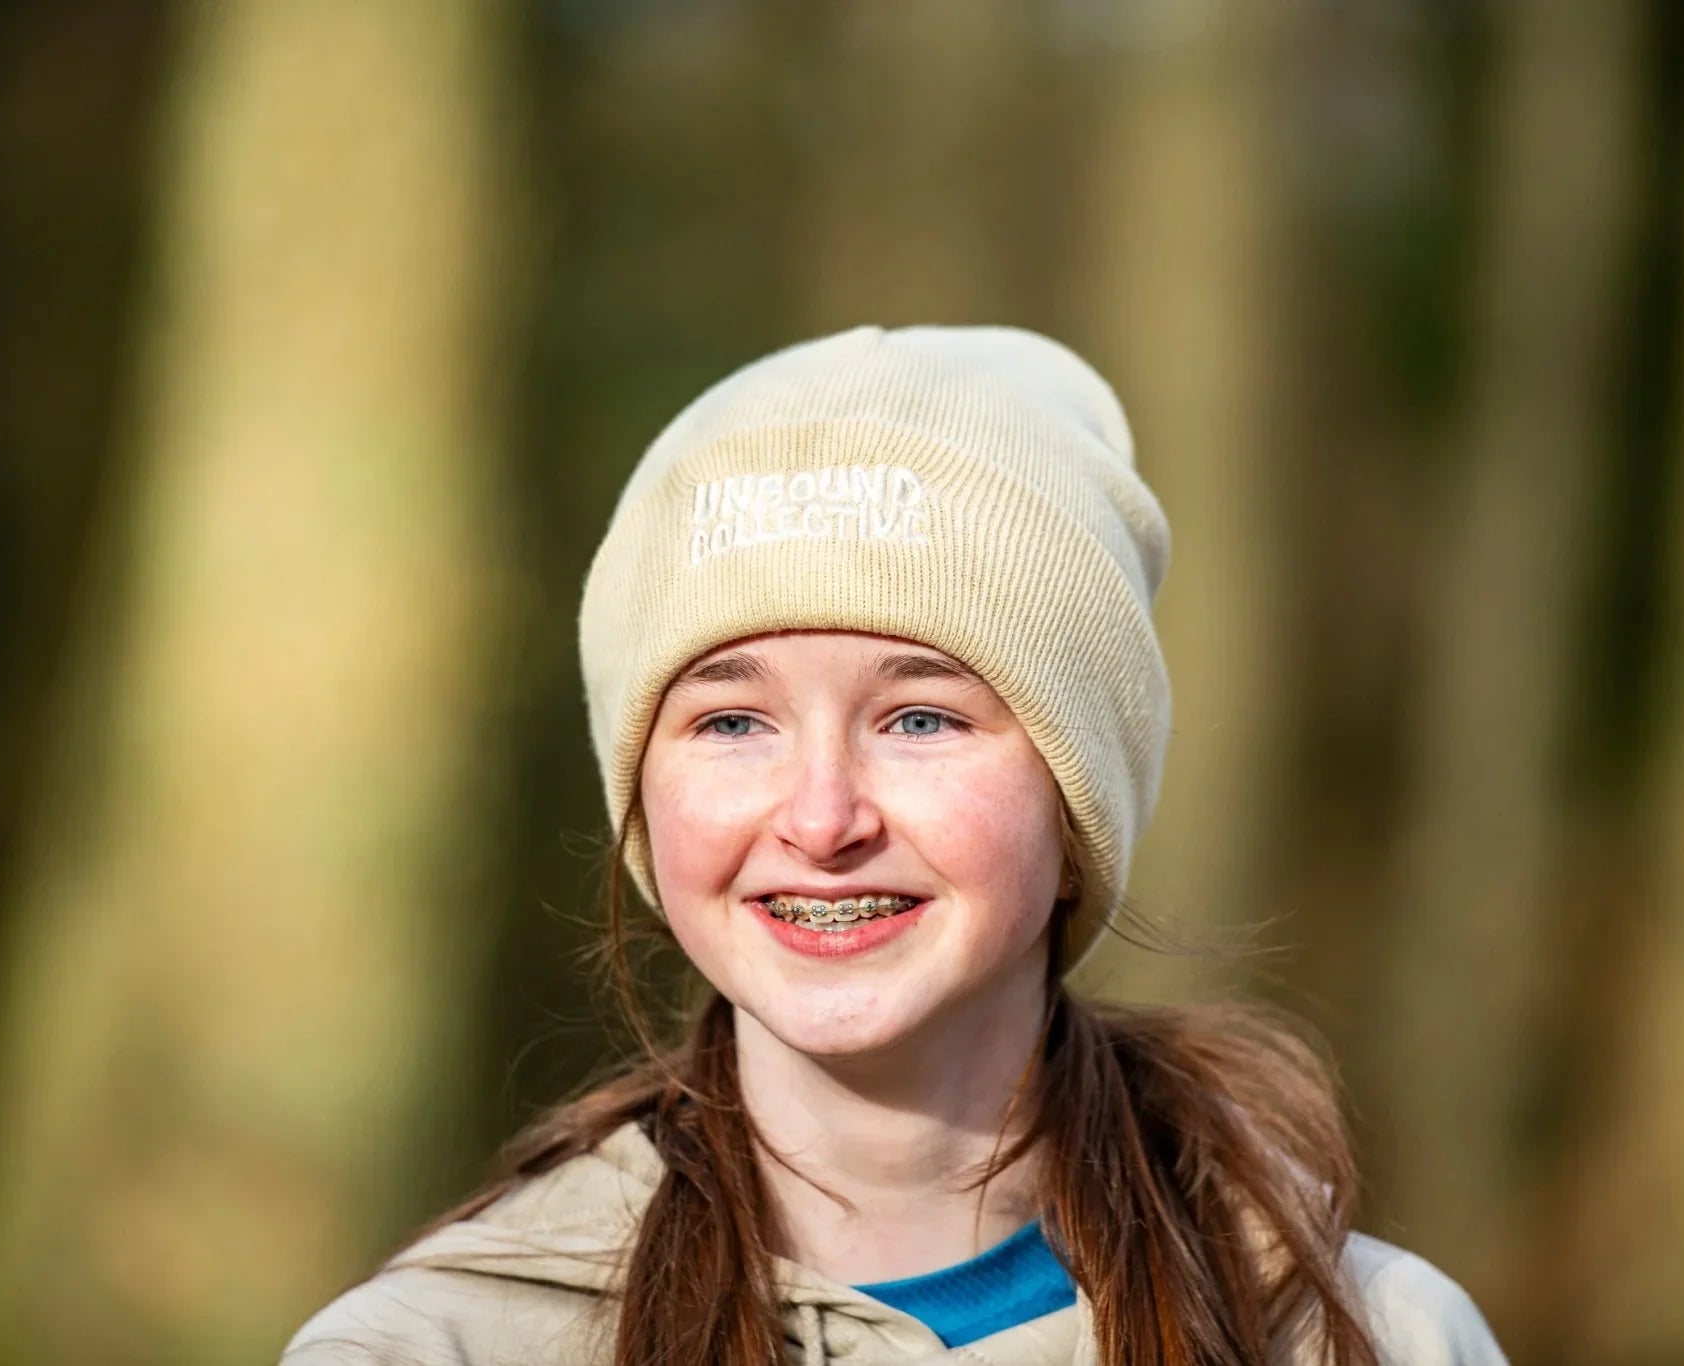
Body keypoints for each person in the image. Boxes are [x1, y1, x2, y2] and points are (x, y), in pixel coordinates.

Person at [282, 325, 1508, 1364]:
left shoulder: (1366, 1336)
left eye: (919, 717)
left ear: (1079, 793)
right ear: (641, 792)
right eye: (730, 720)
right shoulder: (427, 1346)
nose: (821, 820)